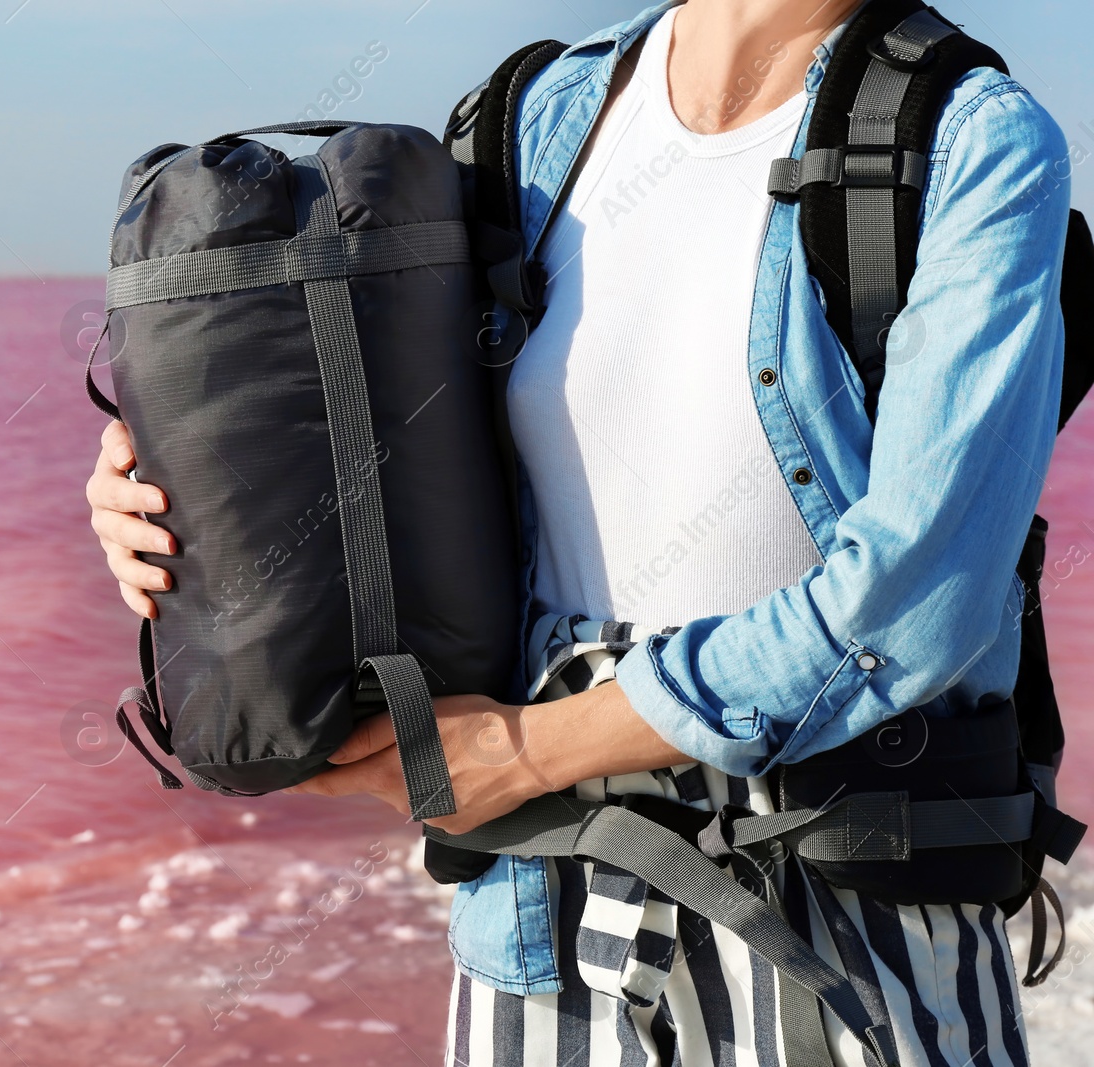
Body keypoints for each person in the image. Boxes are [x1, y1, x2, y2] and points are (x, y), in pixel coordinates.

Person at [86, 0, 1071, 1062]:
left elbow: (919, 601)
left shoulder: (967, 136)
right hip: (536, 920)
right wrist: (161, 484)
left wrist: (522, 748)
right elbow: (365, 421)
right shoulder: (533, 119)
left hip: (837, 915)